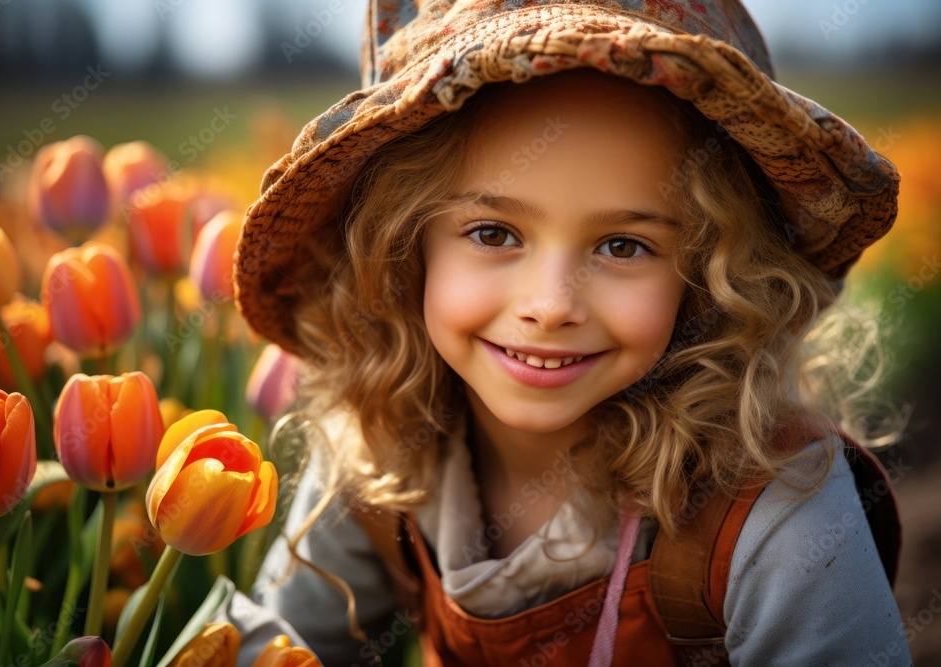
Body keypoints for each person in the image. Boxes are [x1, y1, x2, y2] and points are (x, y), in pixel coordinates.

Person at [221, 1, 912, 665]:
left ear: (707, 273)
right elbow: (283, 646)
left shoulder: (772, 501)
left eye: (622, 246)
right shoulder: (377, 447)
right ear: (403, 249)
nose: (551, 306)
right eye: (493, 233)